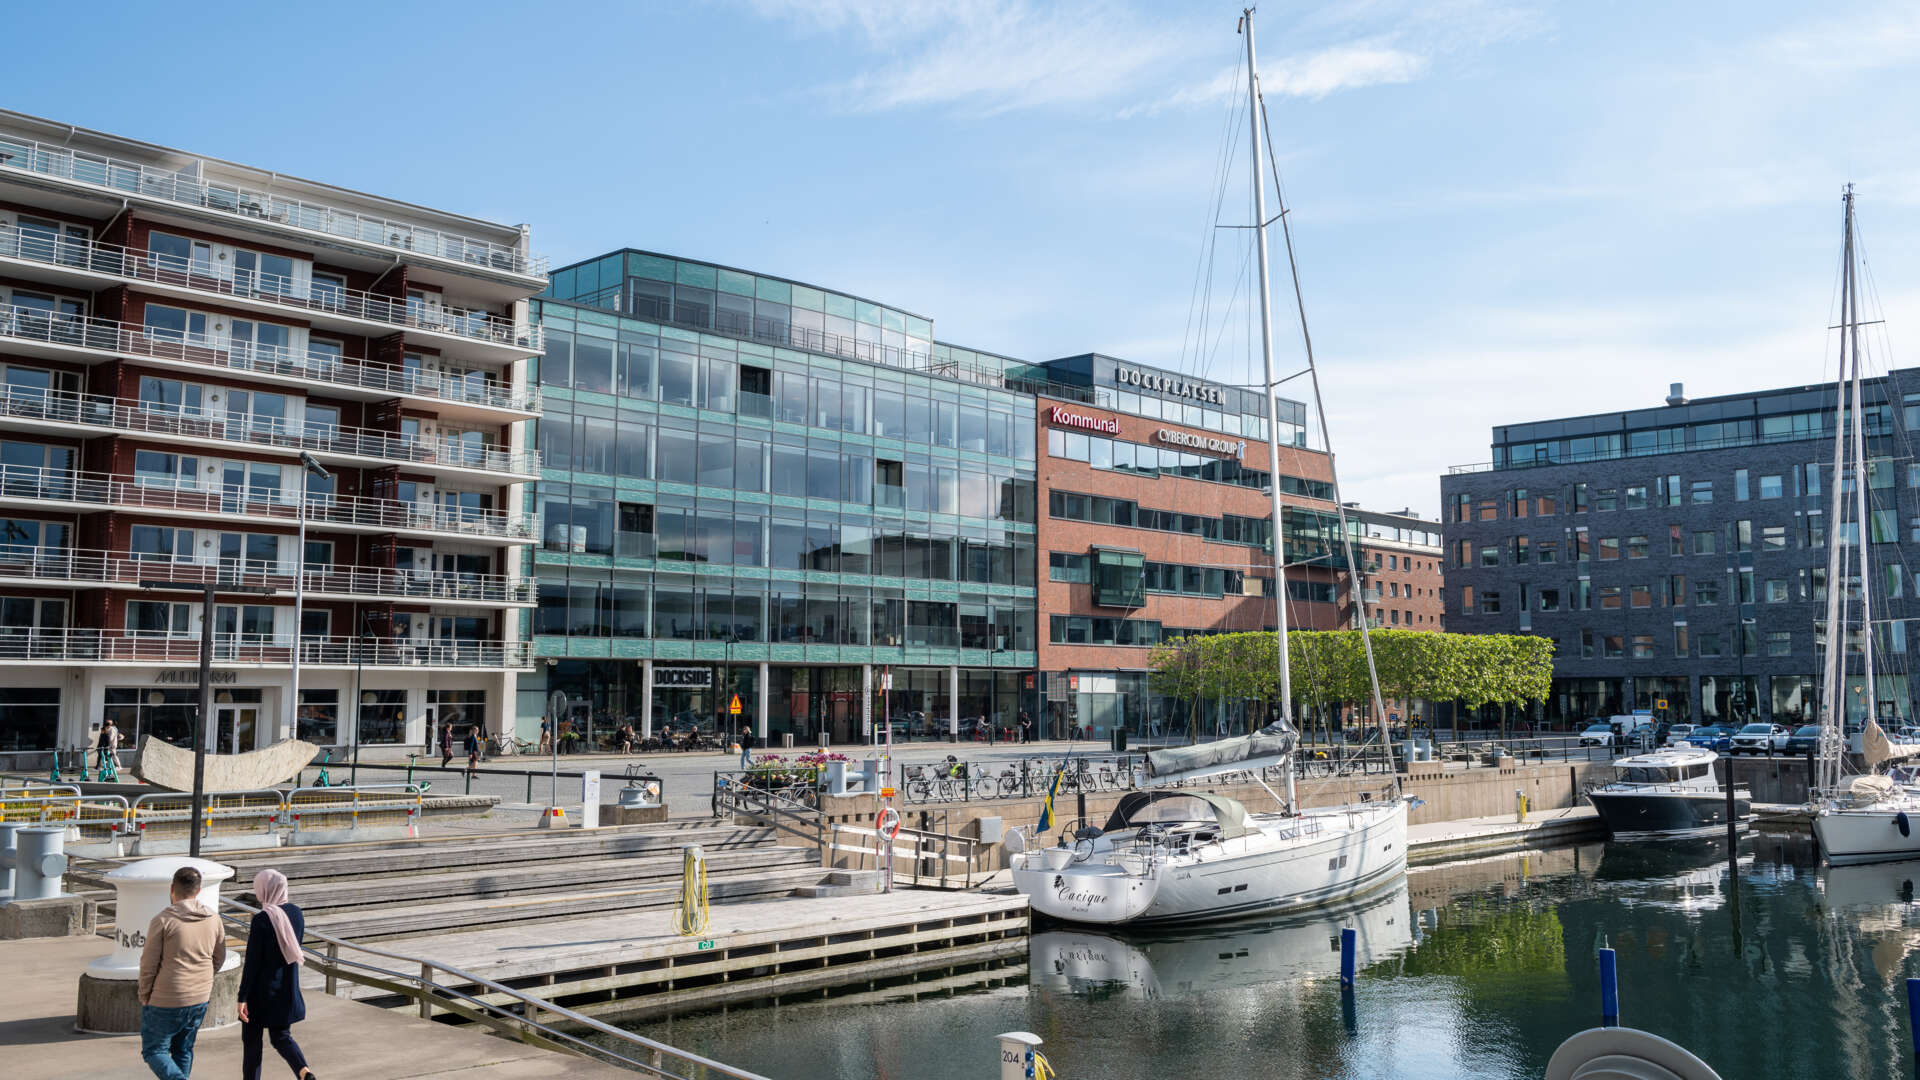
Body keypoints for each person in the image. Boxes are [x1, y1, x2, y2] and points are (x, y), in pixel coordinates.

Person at [138, 865, 227, 1080]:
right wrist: (203, 977)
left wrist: (144, 994)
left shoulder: (163, 920)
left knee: (155, 1050)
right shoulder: (213, 919)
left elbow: (148, 963)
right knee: (183, 1049)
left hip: (166, 996)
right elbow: (219, 957)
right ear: (198, 890)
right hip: (200, 995)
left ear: (172, 889)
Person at [237, 869, 315, 1080]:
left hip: (260, 993)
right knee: (281, 1036)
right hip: (286, 988)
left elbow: (252, 963)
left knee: (252, 1043)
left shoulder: (262, 919)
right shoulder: (297, 914)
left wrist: (242, 996)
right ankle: (304, 1071)